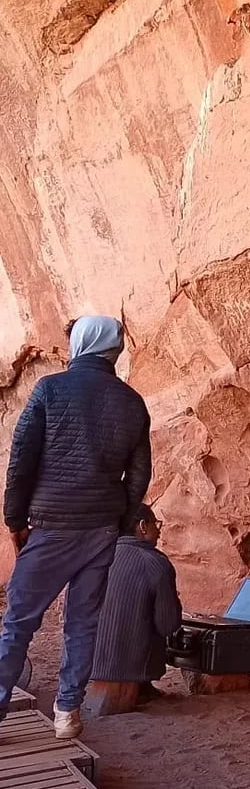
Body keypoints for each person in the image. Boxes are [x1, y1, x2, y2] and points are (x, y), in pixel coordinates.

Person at [0, 316, 152, 738]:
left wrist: (14, 519)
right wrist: (120, 523)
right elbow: (139, 476)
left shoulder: (50, 389)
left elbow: (22, 460)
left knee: (19, 621)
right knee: (83, 623)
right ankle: (67, 711)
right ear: (113, 349)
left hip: (51, 524)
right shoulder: (132, 402)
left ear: (82, 343)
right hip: (100, 528)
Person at [91, 504, 181, 703]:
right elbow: (168, 625)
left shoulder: (94, 556)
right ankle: (142, 683)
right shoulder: (155, 562)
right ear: (143, 526)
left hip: (85, 661)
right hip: (128, 667)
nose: (158, 530)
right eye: (156, 524)